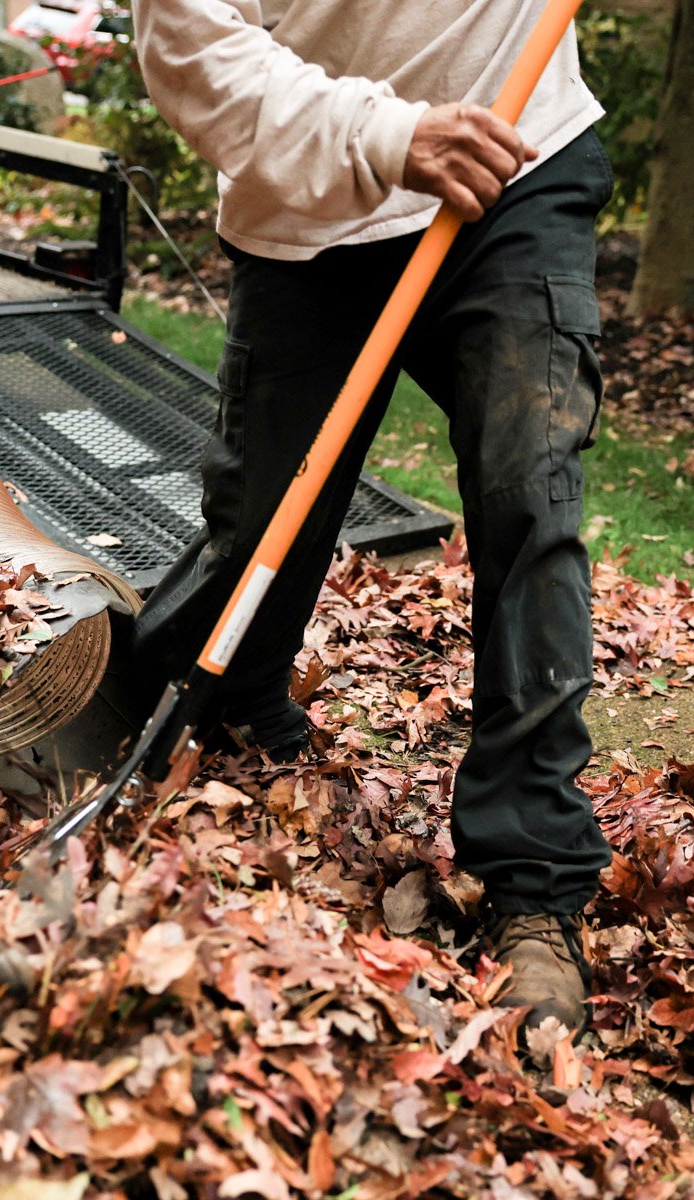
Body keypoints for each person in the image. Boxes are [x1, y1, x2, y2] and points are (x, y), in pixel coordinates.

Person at [130, 0, 615, 1034]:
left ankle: (532, 876)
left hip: (513, 153)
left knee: (529, 485)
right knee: (264, 520)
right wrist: (391, 137)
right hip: (315, 203)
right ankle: (223, 705)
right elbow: (191, 50)